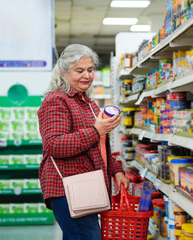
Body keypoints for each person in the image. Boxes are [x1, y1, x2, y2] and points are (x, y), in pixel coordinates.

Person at [38, 44, 129, 240]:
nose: (86, 76)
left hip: (87, 186)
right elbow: (54, 145)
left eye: (90, 70)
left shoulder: (87, 102)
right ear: (63, 72)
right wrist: (96, 130)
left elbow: (99, 145)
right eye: (79, 71)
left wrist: (116, 170)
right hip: (67, 188)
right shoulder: (56, 100)